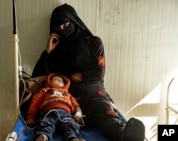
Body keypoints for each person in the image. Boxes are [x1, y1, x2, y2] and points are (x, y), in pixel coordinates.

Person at [31, 3, 145, 141]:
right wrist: (47, 52)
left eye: (66, 25)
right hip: (67, 99)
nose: (63, 30)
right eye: (58, 28)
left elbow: (98, 74)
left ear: (73, 21)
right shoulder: (56, 52)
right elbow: (36, 77)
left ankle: (125, 137)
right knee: (55, 117)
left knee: (105, 116)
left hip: (93, 95)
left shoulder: (94, 43)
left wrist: (70, 77)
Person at [26, 73, 85, 141]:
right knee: (46, 122)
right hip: (49, 112)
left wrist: (78, 115)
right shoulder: (44, 91)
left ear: (64, 84)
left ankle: (73, 138)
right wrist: (30, 116)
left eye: (61, 81)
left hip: (65, 113)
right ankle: (43, 136)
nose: (58, 81)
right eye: (55, 79)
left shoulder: (68, 94)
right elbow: (35, 103)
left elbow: (76, 106)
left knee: (71, 124)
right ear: (49, 82)